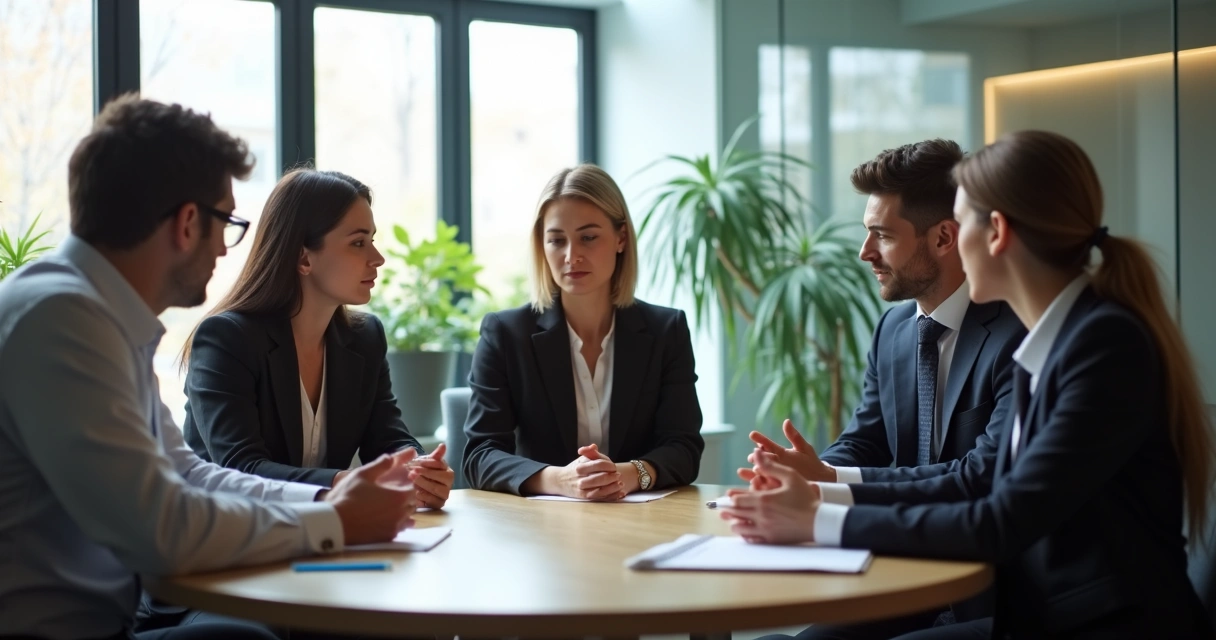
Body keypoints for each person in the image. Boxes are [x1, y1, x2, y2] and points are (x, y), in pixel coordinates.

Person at [723, 130, 1214, 639]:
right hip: (1036, 610)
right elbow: (981, 487)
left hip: (1094, 625)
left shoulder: (1101, 345)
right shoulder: (1053, 338)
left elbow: (997, 515)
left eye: (963, 222)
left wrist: (818, 518)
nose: (956, 241)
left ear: (994, 232)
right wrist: (826, 483)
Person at [0, 95, 418, 640]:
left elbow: (188, 472)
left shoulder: (97, 317)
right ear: (188, 222)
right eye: (226, 221)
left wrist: (328, 499)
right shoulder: (61, 319)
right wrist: (334, 521)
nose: (226, 246)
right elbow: (159, 525)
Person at [746, 139, 1025, 638]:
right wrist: (813, 470)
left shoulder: (1016, 334)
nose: (864, 252)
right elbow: (867, 439)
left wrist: (829, 488)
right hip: (901, 567)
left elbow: (979, 477)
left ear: (943, 238)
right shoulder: (894, 329)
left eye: (882, 235)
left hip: (992, 590)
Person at [180, 168, 454, 506]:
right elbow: (240, 469)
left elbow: (387, 438)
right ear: (303, 257)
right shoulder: (226, 339)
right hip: (229, 538)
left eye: (372, 240)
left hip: (323, 537)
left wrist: (417, 469)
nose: (377, 258)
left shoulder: (365, 337)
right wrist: (348, 482)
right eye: (358, 243)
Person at [462, 163, 704, 499]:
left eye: (588, 238)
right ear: (541, 246)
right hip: (539, 530)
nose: (571, 256)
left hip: (639, 522)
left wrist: (628, 474)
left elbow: (683, 447)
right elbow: (479, 455)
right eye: (557, 241)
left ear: (621, 238)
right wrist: (560, 480)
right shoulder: (505, 333)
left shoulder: (666, 331)